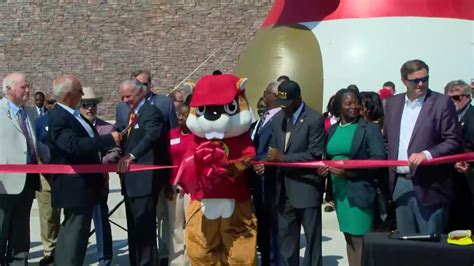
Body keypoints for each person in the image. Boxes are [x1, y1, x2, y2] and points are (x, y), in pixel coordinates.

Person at [48, 75, 121, 266]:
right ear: (69, 95)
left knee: (77, 235)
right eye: (80, 91)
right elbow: (72, 145)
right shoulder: (58, 117)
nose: (82, 95)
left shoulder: (74, 115)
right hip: (75, 186)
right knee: (74, 235)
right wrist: (108, 140)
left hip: (87, 185)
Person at [383, 59, 461, 234]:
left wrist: (427, 154)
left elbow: (453, 140)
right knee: (406, 246)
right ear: (403, 81)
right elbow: (387, 141)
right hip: (400, 185)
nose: (421, 84)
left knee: (431, 247)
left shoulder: (441, 103)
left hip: (430, 185)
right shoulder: (393, 104)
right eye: (415, 81)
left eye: (425, 79)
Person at [317, 88, 385, 266]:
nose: (353, 106)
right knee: (348, 237)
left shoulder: (369, 128)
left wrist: (349, 172)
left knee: (359, 239)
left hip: (359, 190)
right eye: (348, 103)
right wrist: (323, 170)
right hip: (339, 193)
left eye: (356, 103)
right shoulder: (332, 129)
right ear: (339, 107)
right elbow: (328, 157)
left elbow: (379, 160)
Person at [115, 70, 176, 265]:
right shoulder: (133, 113)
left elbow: (152, 136)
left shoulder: (151, 113)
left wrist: (131, 156)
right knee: (134, 228)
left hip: (145, 180)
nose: (125, 101)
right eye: (122, 97)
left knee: (145, 230)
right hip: (131, 181)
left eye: (128, 96)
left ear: (140, 93)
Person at [263, 80, 325, 266]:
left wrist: (282, 158)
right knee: (287, 241)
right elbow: (272, 150)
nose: (284, 108)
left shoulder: (314, 119)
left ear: (299, 100)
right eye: (281, 104)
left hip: (306, 187)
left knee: (312, 241)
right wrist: (266, 163)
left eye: (288, 104)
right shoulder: (277, 119)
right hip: (283, 191)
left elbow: (314, 154)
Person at [0, 72, 39, 265]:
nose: (28, 91)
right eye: (23, 87)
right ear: (9, 90)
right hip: (4, 184)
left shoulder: (31, 112)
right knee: (1, 228)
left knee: (21, 231)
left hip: (28, 180)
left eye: (28, 86)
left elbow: (35, 144)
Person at [79, 87, 121, 266]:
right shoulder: (75, 127)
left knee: (101, 221)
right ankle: (78, 256)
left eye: (93, 105)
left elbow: (116, 150)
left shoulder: (107, 128)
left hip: (99, 182)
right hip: (79, 183)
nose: (90, 108)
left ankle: (105, 258)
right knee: (79, 224)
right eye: (86, 105)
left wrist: (100, 161)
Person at [252, 81, 281, 265]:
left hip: (271, 181)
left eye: (266, 93)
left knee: (273, 229)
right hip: (257, 182)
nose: (263, 96)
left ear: (274, 96)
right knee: (263, 227)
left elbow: (277, 147)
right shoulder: (260, 121)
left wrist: (265, 162)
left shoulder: (281, 119)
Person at [444, 80, 474, 231]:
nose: (451, 102)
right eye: (447, 98)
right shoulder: (446, 119)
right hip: (451, 180)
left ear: (467, 97)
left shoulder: (472, 117)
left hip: (469, 180)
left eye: (455, 98)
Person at [34, 99, 60, 266]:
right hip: (45, 174)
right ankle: (49, 249)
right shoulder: (39, 123)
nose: (53, 105)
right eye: (50, 102)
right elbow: (34, 145)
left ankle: (64, 246)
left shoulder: (71, 121)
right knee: (48, 214)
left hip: (66, 174)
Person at [167, 101, 193, 265]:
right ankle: (176, 261)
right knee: (174, 227)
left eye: (185, 114)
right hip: (173, 188)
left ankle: (191, 260)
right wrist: (166, 185)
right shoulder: (170, 135)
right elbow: (166, 160)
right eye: (179, 114)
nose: (181, 117)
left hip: (191, 189)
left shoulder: (197, 136)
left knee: (191, 227)